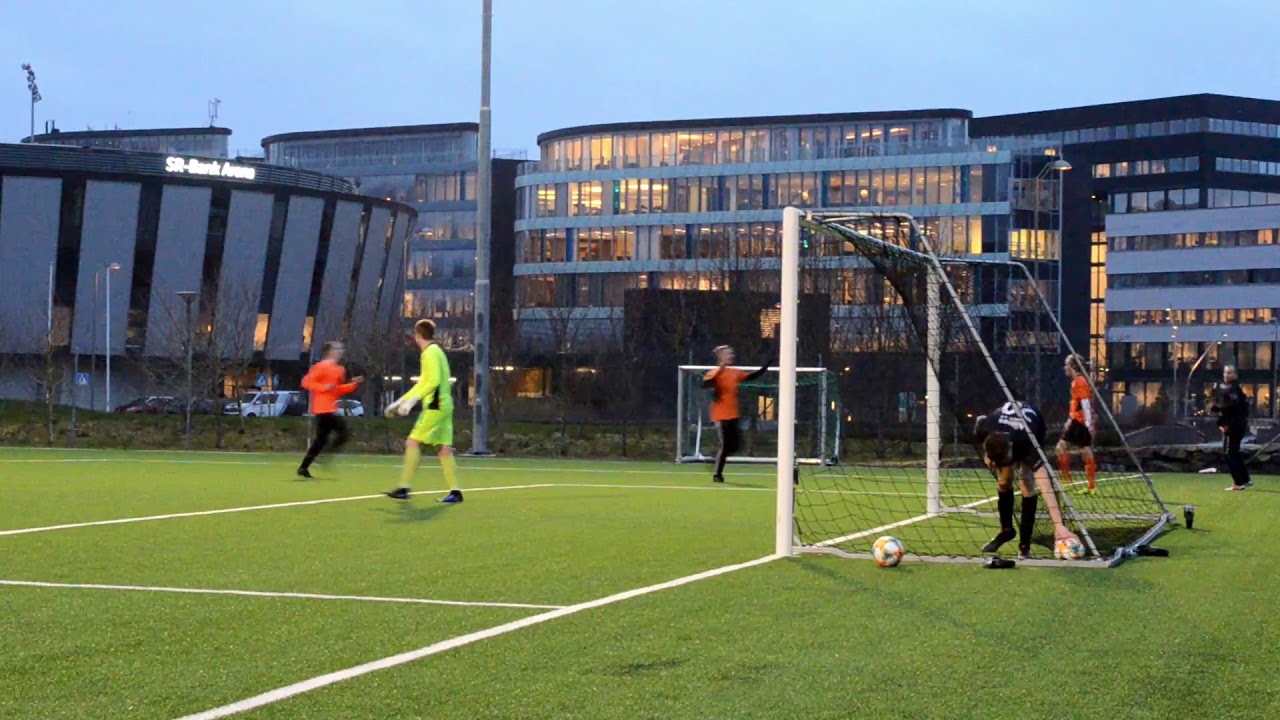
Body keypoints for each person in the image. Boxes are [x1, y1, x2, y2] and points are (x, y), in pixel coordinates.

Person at [972, 400, 1082, 559]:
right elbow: (980, 420)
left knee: (1027, 484)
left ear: (1011, 449)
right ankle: (1006, 531)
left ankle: (1025, 545)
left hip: (1033, 424)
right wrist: (986, 455)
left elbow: (1046, 487)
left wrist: (1059, 526)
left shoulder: (1028, 444)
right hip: (1005, 428)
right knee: (1004, 482)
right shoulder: (984, 427)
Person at [385, 319, 462, 503]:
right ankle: (456, 492)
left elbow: (432, 381)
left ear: (417, 335)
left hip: (436, 404)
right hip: (443, 403)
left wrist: (411, 402)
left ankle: (404, 487)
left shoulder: (430, 353)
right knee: (443, 448)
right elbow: (424, 383)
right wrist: (400, 402)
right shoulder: (435, 352)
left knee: (412, 441)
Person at [703, 345, 768, 483]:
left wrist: (765, 367)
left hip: (733, 414)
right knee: (726, 445)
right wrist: (720, 370)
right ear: (721, 357)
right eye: (728, 354)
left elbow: (750, 377)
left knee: (736, 446)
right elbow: (707, 383)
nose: (731, 356)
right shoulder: (714, 372)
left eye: (732, 354)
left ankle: (716, 458)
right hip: (721, 415)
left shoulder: (734, 372)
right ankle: (717, 474)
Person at [296, 341, 362, 478]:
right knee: (343, 433)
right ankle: (324, 456)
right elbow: (306, 382)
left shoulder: (339, 369)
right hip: (322, 408)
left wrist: (352, 384)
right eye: (337, 349)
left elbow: (336, 390)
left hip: (329, 407)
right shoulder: (320, 367)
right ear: (329, 351)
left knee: (321, 439)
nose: (340, 351)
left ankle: (303, 467)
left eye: (341, 349)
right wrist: (324, 387)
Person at [1057, 354, 1098, 494]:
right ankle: (1077, 483)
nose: (1064, 368)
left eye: (1066, 364)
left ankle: (1072, 483)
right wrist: (1070, 419)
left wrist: (1088, 424)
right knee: (1067, 448)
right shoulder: (1077, 381)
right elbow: (1078, 403)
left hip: (1080, 422)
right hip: (1076, 420)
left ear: (1072, 366)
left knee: (1082, 451)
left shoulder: (1079, 382)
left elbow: (1085, 403)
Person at [1212, 365, 1252, 491]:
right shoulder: (1235, 389)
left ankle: (1238, 482)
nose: (1227, 375)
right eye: (1226, 373)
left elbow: (1229, 408)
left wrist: (1223, 423)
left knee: (1230, 454)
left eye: (1230, 373)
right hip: (1237, 424)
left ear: (1235, 375)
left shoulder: (1233, 390)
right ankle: (1245, 479)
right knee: (1235, 452)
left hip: (1233, 425)